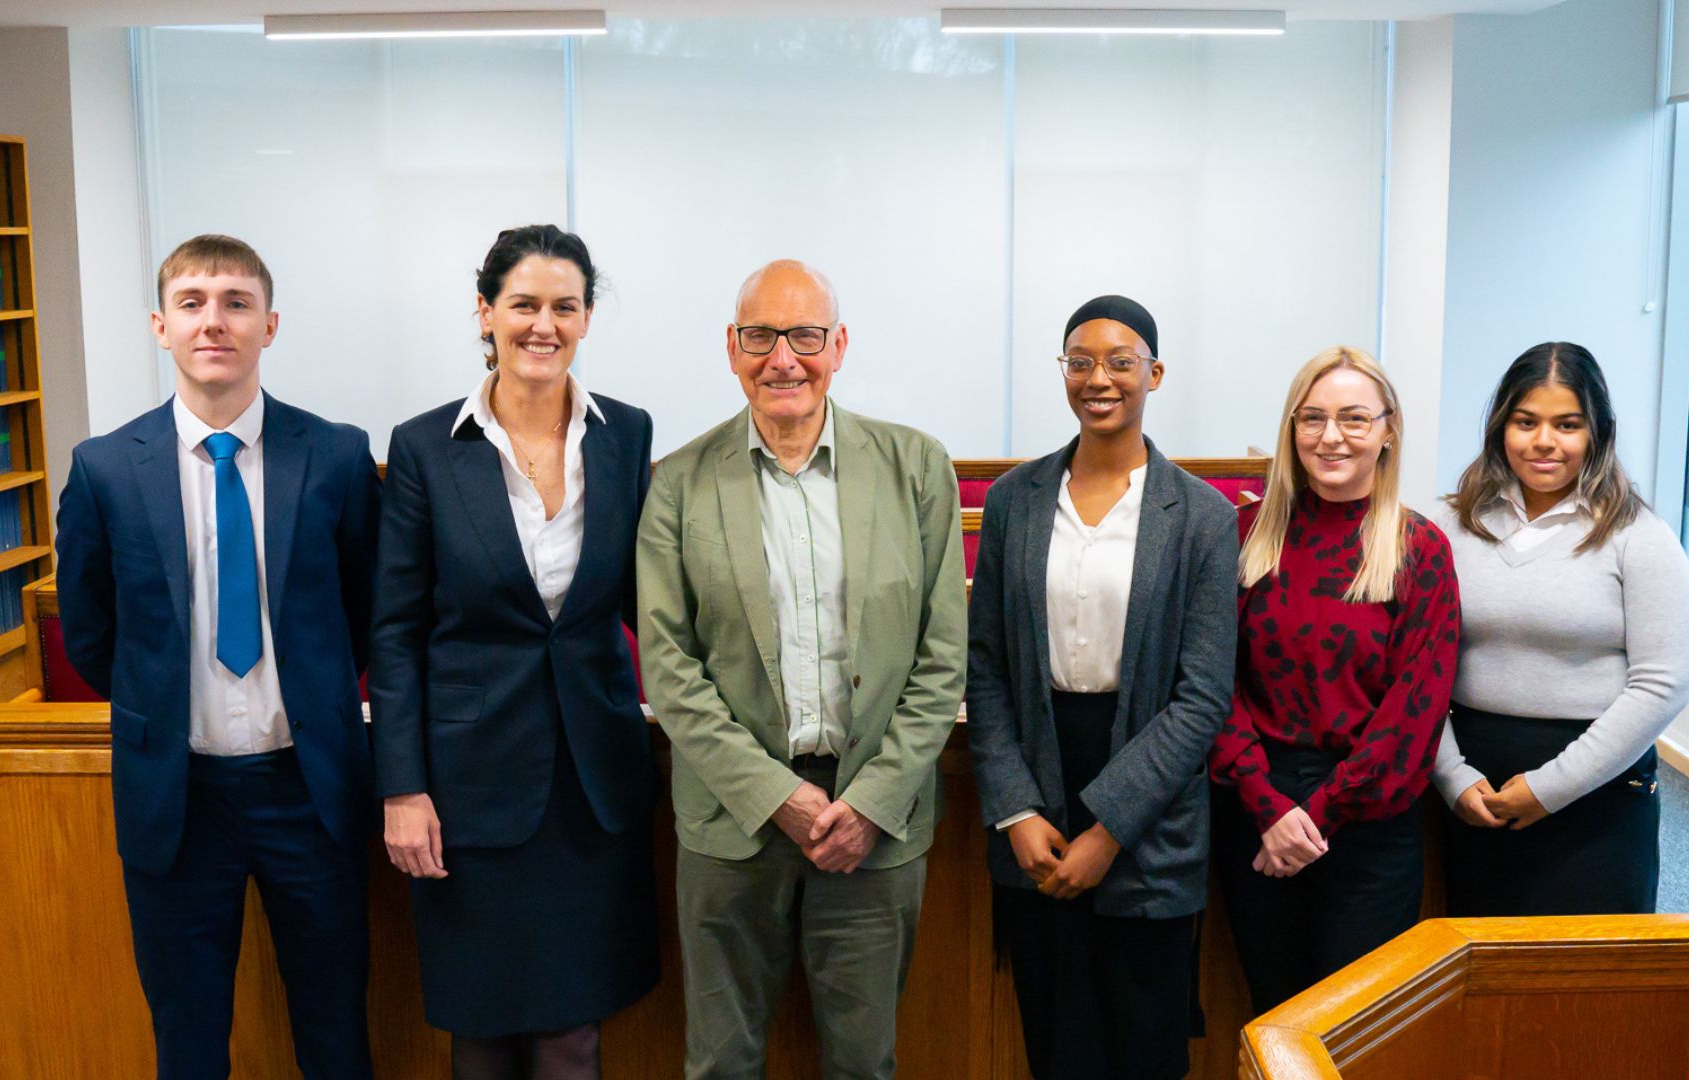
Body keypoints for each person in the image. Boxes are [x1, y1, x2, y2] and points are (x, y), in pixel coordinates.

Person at [55, 234, 380, 1079]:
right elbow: (92, 633)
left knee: (335, 1030)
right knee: (189, 1040)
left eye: (236, 302)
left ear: (269, 326)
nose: (215, 321)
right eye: (193, 302)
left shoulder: (337, 456)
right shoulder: (103, 470)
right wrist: (161, 708)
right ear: (160, 326)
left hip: (309, 789)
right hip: (177, 796)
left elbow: (367, 607)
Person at [636, 259, 967, 1080]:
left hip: (874, 821)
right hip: (730, 822)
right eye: (761, 336)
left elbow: (943, 655)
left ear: (839, 344)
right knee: (720, 1063)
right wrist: (772, 795)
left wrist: (872, 799)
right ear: (732, 347)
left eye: (805, 336)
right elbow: (669, 664)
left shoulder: (916, 467)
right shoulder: (677, 483)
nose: (783, 358)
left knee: (863, 1064)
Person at [369, 225, 657, 1079]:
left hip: (591, 790)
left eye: (563, 306)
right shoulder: (426, 446)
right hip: (468, 792)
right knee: (483, 1032)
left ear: (586, 318)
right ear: (485, 313)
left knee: (574, 1036)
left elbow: (653, 605)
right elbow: (394, 631)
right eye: (523, 304)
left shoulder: (626, 434)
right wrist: (402, 787)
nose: (544, 324)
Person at [966, 295, 1236, 1080]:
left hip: (1151, 818)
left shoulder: (1204, 519)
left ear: (1154, 373)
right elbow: (985, 666)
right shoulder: (1015, 502)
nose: (1099, 379)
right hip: (1037, 794)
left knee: (1145, 1052)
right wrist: (1017, 812)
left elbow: (1202, 697)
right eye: (1080, 361)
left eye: (1121, 362)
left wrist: (1107, 830)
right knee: (1056, 1049)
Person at [1207, 345, 1460, 1016]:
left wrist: (1313, 818)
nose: (1331, 436)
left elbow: (1413, 714)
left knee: (1357, 1032)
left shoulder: (1419, 549)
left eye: (1353, 417)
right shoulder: (1244, 535)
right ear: (1292, 430)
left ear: (1388, 429)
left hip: (1367, 825)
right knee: (1274, 1018)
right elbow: (1211, 684)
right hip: (1257, 813)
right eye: (1311, 418)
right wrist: (1268, 806)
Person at [1431, 342, 1689, 916]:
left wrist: (1549, 789)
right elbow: (1415, 668)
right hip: (1473, 789)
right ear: (1502, 427)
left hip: (1598, 790)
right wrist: (1451, 775)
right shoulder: (1449, 525)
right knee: (1480, 980)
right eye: (1526, 422)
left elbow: (1663, 684)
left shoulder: (1639, 537)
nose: (1544, 441)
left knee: (1588, 984)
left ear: (1597, 432)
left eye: (1567, 424)